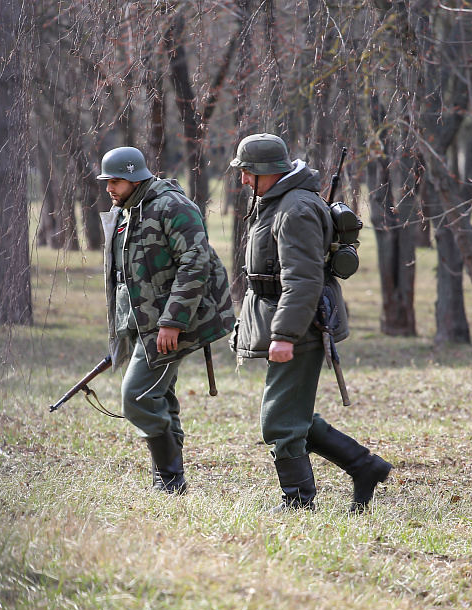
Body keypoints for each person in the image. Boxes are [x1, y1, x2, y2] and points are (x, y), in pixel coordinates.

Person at [228, 133, 391, 513]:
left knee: (280, 420)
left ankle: (298, 503)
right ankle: (365, 467)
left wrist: (284, 334)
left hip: (302, 323)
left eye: (248, 172)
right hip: (293, 318)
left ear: (267, 171)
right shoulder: (278, 201)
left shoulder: (295, 209)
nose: (244, 180)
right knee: (292, 413)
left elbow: (302, 279)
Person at [98, 146, 234, 494]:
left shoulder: (171, 206)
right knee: (160, 396)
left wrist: (172, 322)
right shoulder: (128, 210)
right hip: (146, 323)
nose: (110, 188)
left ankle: (171, 479)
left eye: (116, 180)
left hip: (175, 321)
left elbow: (195, 262)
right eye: (107, 181)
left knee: (138, 397)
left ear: (134, 177)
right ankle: (170, 481)